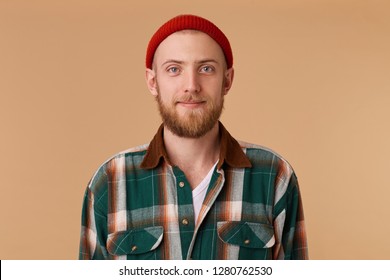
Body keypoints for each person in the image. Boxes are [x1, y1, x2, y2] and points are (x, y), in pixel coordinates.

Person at [79, 14, 308, 260]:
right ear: (153, 81)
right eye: (174, 69)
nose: (191, 85)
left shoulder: (274, 176)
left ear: (227, 80)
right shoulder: (110, 181)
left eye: (206, 68)